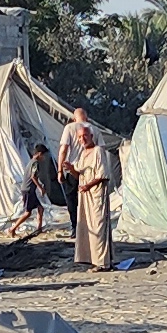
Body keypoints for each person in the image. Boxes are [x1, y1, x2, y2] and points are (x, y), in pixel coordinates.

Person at [62, 108, 115, 272]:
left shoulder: (98, 151)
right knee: (86, 226)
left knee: (98, 226)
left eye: (85, 136)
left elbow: (103, 175)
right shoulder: (83, 154)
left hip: (96, 194)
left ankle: (102, 262)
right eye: (80, 137)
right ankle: (90, 258)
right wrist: (70, 168)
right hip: (85, 196)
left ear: (91, 136)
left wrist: (88, 185)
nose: (82, 139)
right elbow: (79, 174)